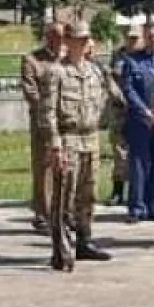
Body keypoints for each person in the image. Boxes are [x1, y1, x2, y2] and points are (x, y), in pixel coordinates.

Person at [42, 21, 112, 269]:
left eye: (86, 40)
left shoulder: (94, 71)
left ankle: (85, 240)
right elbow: (48, 111)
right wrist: (55, 145)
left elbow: (104, 101)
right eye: (78, 40)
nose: (83, 44)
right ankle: (61, 247)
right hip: (68, 137)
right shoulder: (56, 72)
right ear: (67, 42)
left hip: (90, 137)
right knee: (65, 195)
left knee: (88, 193)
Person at [119, 23, 154, 224]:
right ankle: (136, 207)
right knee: (138, 163)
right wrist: (143, 110)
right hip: (140, 119)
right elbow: (128, 89)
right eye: (151, 36)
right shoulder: (132, 60)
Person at [21, 22, 64, 234]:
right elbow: (31, 92)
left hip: (66, 122)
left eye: (63, 36)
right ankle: (43, 215)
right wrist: (49, 112)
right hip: (42, 123)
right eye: (56, 35)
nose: (60, 40)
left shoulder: (65, 60)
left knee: (64, 167)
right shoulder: (32, 60)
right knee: (44, 168)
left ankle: (63, 212)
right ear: (47, 36)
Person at [106, 29, 141, 206]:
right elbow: (110, 80)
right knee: (120, 151)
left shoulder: (143, 57)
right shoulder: (117, 56)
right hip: (120, 109)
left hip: (139, 110)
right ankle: (118, 191)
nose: (133, 41)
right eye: (130, 37)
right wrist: (120, 97)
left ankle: (137, 193)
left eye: (136, 38)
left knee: (139, 154)